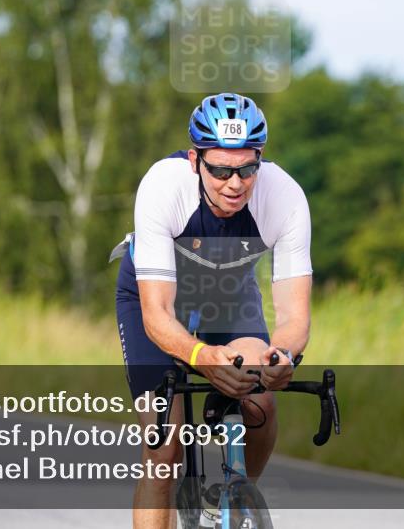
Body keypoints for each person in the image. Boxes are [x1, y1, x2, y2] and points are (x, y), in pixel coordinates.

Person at [111, 92, 312, 529]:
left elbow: (295, 317)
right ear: (195, 160)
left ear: (260, 159)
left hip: (228, 296)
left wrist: (281, 358)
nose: (235, 183)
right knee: (164, 449)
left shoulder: (286, 197)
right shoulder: (163, 186)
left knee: (262, 398)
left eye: (246, 169)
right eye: (220, 169)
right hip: (156, 299)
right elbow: (157, 313)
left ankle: (236, 496)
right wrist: (202, 358)